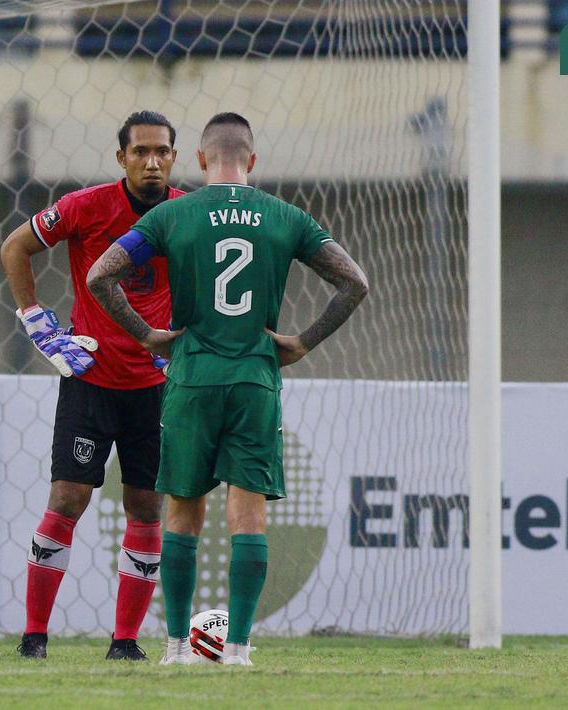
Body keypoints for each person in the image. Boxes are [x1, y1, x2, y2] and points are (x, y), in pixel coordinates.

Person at [86, 112, 369, 666]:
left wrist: (148, 336)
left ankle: (173, 648)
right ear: (253, 161)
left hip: (191, 378)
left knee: (182, 513)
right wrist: (303, 341)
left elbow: (101, 274)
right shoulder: (286, 216)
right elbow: (354, 283)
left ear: (197, 160)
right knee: (249, 516)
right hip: (254, 380)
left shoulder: (173, 212)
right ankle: (236, 649)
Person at [0, 111, 185, 661]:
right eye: (141, 151)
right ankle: (34, 637)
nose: (152, 161)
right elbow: (15, 246)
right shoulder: (87, 206)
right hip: (92, 377)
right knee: (69, 497)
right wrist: (34, 316)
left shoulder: (189, 212)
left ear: (174, 157)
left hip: (155, 384)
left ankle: (125, 643)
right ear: (121, 157)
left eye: (163, 152)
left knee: (147, 507)